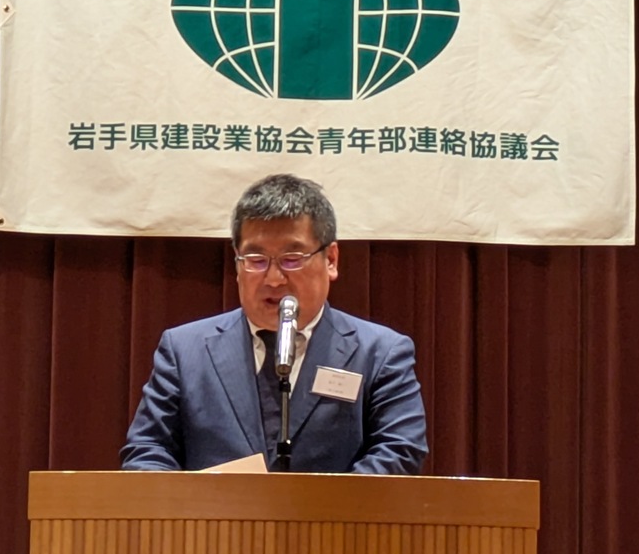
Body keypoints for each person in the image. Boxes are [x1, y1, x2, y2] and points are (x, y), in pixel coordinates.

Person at [120, 173, 428, 474]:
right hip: (214, 511)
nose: (274, 279)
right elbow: (148, 450)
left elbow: (399, 449)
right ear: (237, 263)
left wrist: (322, 505)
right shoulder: (185, 350)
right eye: (256, 260)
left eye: (292, 259)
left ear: (331, 260)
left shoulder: (380, 353)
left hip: (337, 511)